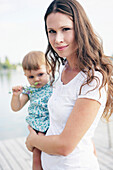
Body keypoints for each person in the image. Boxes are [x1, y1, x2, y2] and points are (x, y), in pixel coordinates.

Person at [25, 0, 113, 169]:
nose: (58, 39)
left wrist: (34, 140)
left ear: (80, 29)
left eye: (65, 29)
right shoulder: (63, 71)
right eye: (52, 31)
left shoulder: (93, 79)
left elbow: (65, 146)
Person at [11, 51, 52, 170]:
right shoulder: (30, 90)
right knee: (36, 157)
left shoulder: (53, 86)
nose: (36, 79)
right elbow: (16, 107)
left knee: (51, 157)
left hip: (50, 125)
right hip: (36, 127)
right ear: (25, 75)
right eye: (31, 77)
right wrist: (15, 96)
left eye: (40, 74)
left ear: (49, 70)